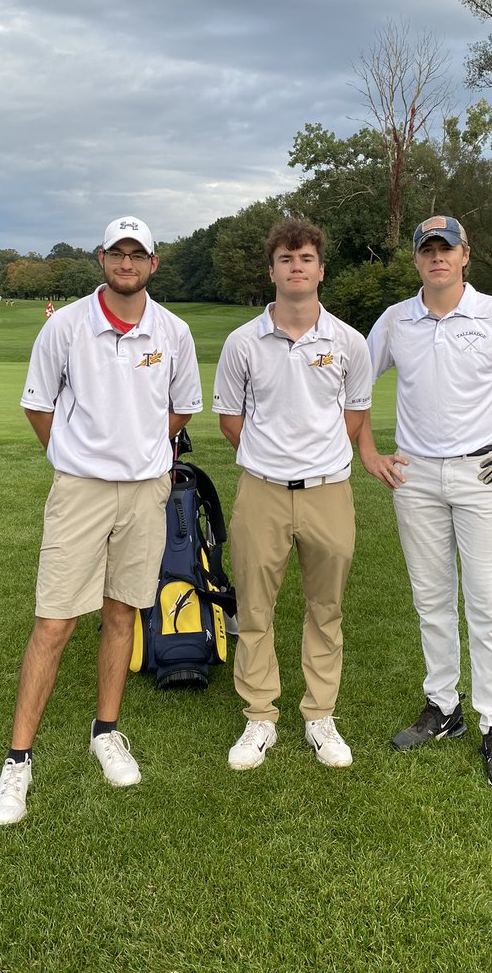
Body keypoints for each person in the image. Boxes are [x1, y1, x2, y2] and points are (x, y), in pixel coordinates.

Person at [0, 215, 203, 826]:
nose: (127, 264)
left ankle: (105, 730)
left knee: (122, 612)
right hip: (80, 490)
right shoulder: (66, 326)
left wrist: (139, 453)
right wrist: (71, 458)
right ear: (101, 259)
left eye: (138, 255)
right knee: (54, 623)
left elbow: (181, 409)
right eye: (117, 254)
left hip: (143, 493)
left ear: (153, 264)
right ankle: (18, 762)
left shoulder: (174, 331)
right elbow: (38, 404)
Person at [358, 215, 492, 792]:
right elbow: (353, 385)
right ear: (416, 261)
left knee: (486, 604)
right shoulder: (396, 320)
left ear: (465, 256)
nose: (437, 259)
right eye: (427, 250)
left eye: (446, 250)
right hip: (416, 475)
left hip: (483, 474)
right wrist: (369, 451)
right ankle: (443, 707)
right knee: (431, 599)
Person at [213, 219, 373, 771]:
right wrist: (271, 459)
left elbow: (354, 415)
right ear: (273, 271)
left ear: (320, 269)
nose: (296, 267)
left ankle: (319, 715)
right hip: (261, 492)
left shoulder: (349, 341)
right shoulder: (242, 343)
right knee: (255, 610)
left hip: (329, 492)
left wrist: (314, 459)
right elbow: (230, 420)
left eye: (306, 257)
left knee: (325, 609)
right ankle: (260, 716)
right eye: (286, 259)